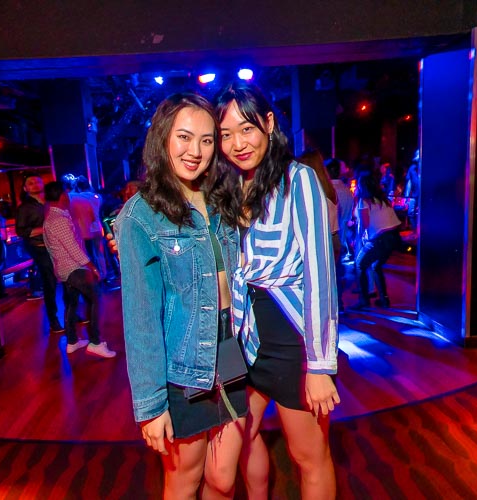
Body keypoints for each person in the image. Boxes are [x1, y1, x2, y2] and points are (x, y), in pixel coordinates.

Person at [114, 93, 247, 498]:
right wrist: (151, 406)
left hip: (229, 346)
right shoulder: (140, 215)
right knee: (184, 481)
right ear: (162, 138)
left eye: (207, 140)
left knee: (223, 479)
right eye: (184, 137)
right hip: (183, 360)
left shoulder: (222, 200)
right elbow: (140, 319)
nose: (196, 151)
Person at [215, 82, 340, 499]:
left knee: (309, 455)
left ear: (268, 123)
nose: (237, 144)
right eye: (226, 134)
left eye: (246, 129)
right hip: (242, 333)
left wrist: (319, 366)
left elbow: (321, 273)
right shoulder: (229, 187)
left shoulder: (297, 179)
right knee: (242, 439)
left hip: (290, 336)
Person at [42, 180, 116, 357]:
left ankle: (72, 341)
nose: (68, 196)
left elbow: (51, 248)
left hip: (65, 269)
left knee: (72, 303)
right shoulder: (58, 220)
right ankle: (95, 342)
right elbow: (73, 248)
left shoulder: (52, 217)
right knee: (96, 298)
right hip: (74, 269)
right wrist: (92, 266)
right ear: (62, 195)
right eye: (66, 193)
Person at [297, 150, 346, 314]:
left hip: (320, 244)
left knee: (317, 291)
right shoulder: (328, 190)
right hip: (333, 240)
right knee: (327, 287)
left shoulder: (312, 194)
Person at [15, 173, 64, 333]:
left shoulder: (51, 202)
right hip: (40, 248)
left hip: (58, 245)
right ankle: (53, 319)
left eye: (37, 181)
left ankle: (71, 314)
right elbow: (21, 231)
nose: (35, 184)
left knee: (67, 278)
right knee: (49, 282)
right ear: (25, 189)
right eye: (30, 183)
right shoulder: (24, 208)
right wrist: (45, 229)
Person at [350, 171, 402, 309]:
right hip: (394, 237)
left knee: (359, 264)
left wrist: (359, 241)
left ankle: (364, 300)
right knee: (376, 266)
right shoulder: (383, 200)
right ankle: (384, 300)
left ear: (362, 186)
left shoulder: (363, 201)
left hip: (379, 239)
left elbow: (364, 224)